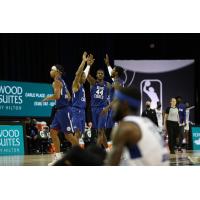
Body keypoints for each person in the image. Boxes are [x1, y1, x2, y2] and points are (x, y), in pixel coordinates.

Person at [105, 86, 169, 166]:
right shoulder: (146, 122)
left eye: (115, 101)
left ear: (124, 104)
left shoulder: (125, 128)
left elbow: (111, 164)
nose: (112, 105)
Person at [42, 64, 78, 166]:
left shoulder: (56, 82)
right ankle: (58, 158)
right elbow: (69, 96)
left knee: (68, 135)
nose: (50, 71)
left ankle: (81, 155)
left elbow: (57, 96)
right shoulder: (62, 82)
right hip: (60, 111)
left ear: (58, 72)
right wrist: (64, 100)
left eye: (52, 70)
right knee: (53, 132)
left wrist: (47, 98)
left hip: (64, 111)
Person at [86, 54, 111, 151]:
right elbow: (85, 75)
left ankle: (96, 152)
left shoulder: (107, 85)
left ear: (104, 75)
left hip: (103, 110)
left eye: (102, 73)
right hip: (93, 109)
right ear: (96, 75)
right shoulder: (93, 82)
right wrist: (89, 65)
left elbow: (112, 96)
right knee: (100, 132)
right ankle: (108, 150)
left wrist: (108, 107)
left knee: (100, 131)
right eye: (98, 73)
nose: (100, 74)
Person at [103, 54, 124, 142]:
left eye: (113, 70)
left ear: (116, 73)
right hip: (114, 108)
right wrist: (108, 65)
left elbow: (119, 97)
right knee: (111, 131)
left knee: (110, 132)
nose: (111, 72)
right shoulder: (117, 80)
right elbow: (111, 71)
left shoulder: (117, 82)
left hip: (115, 108)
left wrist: (108, 107)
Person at [71, 52, 89, 142]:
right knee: (77, 133)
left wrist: (88, 66)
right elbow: (79, 74)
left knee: (81, 133)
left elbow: (83, 73)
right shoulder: (76, 84)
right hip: (76, 110)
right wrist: (83, 61)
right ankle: (74, 153)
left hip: (82, 111)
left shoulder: (82, 85)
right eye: (84, 76)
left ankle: (75, 150)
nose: (85, 78)